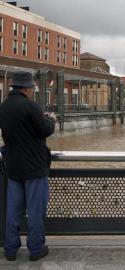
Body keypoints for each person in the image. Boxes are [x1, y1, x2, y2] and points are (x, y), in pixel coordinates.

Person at [0, 71, 56, 261]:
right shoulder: (31, 106)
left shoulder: (4, 107)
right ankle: (36, 249)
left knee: (13, 211)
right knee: (35, 211)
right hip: (34, 168)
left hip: (13, 167)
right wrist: (51, 119)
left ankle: (10, 250)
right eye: (32, 88)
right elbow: (45, 130)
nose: (33, 91)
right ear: (26, 88)